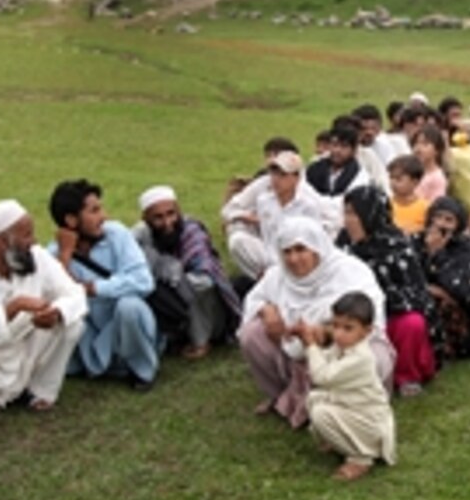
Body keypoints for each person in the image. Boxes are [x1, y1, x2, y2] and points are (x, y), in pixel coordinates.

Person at [238, 217, 395, 428]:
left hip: (341, 351)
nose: (293, 259)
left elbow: (371, 320)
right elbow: (254, 298)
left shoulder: (350, 271)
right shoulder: (278, 276)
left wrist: (327, 333)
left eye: (301, 249)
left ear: (317, 248)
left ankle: (349, 414)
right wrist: (267, 311)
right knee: (252, 334)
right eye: (287, 251)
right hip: (297, 352)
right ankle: (284, 395)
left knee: (372, 357)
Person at [0, 199, 88, 410]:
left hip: (27, 342)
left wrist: (57, 312)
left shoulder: (36, 256)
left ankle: (40, 392)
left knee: (72, 323)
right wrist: (11, 309)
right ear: (3, 242)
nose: (34, 241)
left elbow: (75, 294)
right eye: (27, 235)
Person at [48, 179, 160, 392]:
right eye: (94, 211)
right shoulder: (53, 253)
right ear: (71, 220)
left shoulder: (116, 234)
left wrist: (93, 288)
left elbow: (144, 281)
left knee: (129, 306)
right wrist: (64, 256)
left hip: (124, 326)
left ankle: (142, 371)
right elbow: (52, 297)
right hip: (90, 334)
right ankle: (94, 364)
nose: (104, 217)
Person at [337, 186, 443, 397]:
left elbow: (416, 295)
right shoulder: (343, 244)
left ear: (370, 215)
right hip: (350, 316)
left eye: (353, 214)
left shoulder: (397, 246)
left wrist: (379, 303)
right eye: (346, 213)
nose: (348, 220)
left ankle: (406, 376)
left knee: (412, 323)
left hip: (389, 315)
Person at [133, 185, 242, 359]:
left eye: (171, 214)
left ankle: (201, 341)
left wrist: (172, 279)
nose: (167, 223)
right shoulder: (140, 236)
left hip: (209, 312)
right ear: (146, 219)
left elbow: (205, 279)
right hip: (169, 305)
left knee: (197, 287)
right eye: (158, 218)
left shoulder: (191, 232)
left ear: (179, 212)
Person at [298, 292, 397, 482]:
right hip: (351, 408)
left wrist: (310, 346)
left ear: (367, 331)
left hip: (369, 421)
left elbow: (322, 376)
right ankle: (341, 441)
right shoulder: (343, 346)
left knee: (320, 413)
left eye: (348, 328)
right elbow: (324, 360)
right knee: (313, 399)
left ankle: (361, 457)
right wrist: (309, 340)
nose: (339, 334)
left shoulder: (362, 358)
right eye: (335, 326)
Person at [222, 137, 302, 280]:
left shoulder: (308, 199)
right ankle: (264, 279)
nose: (276, 178)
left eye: (282, 174)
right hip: (268, 250)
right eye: (269, 158)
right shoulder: (263, 192)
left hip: (297, 255)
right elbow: (229, 210)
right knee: (237, 236)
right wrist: (247, 217)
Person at [419, 197, 470, 359]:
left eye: (449, 220)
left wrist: (437, 255)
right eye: (438, 217)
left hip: (455, 310)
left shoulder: (465, 248)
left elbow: (464, 291)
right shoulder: (418, 241)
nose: (441, 224)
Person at [305, 123, 369, 198]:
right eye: (334, 145)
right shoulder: (314, 169)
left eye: (344, 146)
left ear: (354, 150)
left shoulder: (360, 176)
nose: (337, 150)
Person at [387, 154, 429, 235]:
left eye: (398, 179)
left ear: (415, 182)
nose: (393, 183)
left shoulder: (426, 208)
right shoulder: (385, 205)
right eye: (391, 178)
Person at [410, 125, 449, 203]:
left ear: (437, 150)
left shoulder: (437, 178)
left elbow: (434, 207)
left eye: (425, 144)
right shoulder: (411, 171)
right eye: (416, 143)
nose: (418, 148)